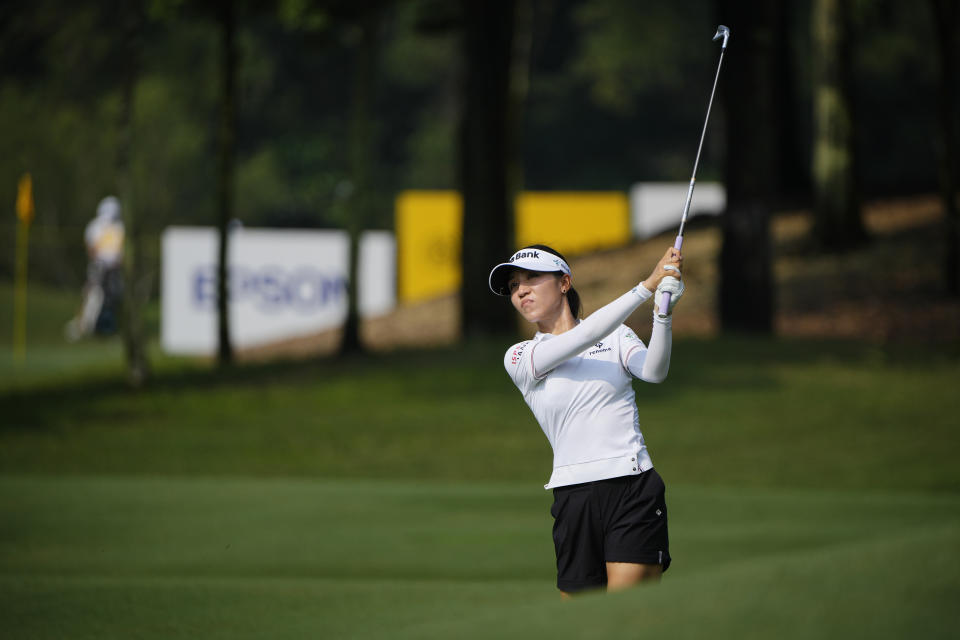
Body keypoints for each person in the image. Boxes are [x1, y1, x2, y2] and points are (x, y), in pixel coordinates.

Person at [489, 243, 684, 597]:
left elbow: (653, 371)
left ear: (564, 283)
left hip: (632, 486)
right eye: (514, 286)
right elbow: (585, 335)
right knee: (580, 626)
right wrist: (647, 285)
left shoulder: (617, 335)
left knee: (626, 617)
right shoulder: (520, 356)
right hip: (572, 496)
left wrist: (662, 315)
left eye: (532, 278)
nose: (521, 290)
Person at [65, 196, 125, 341]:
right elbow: (90, 247)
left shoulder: (120, 227)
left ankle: (110, 328)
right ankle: (83, 326)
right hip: (98, 267)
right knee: (93, 295)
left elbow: (122, 250)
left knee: (114, 298)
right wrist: (98, 262)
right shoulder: (95, 226)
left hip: (115, 269)